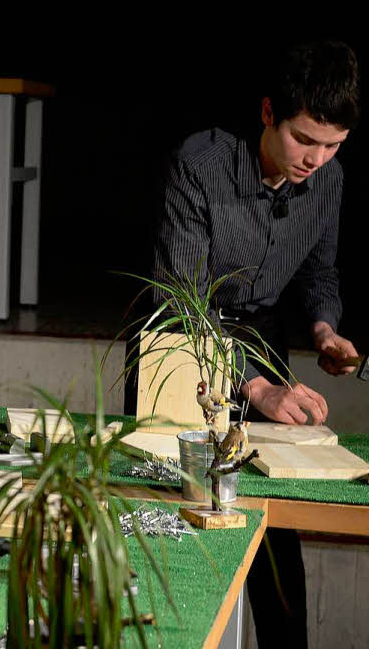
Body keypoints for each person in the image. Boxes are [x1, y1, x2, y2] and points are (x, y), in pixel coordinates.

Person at [151, 39, 360, 648]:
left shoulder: (330, 179)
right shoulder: (202, 163)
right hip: (183, 343)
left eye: (332, 146)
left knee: (274, 530)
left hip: (262, 340)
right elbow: (183, 298)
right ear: (269, 112)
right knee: (180, 513)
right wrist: (258, 386)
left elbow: (321, 273)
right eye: (304, 139)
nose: (316, 159)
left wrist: (325, 330)